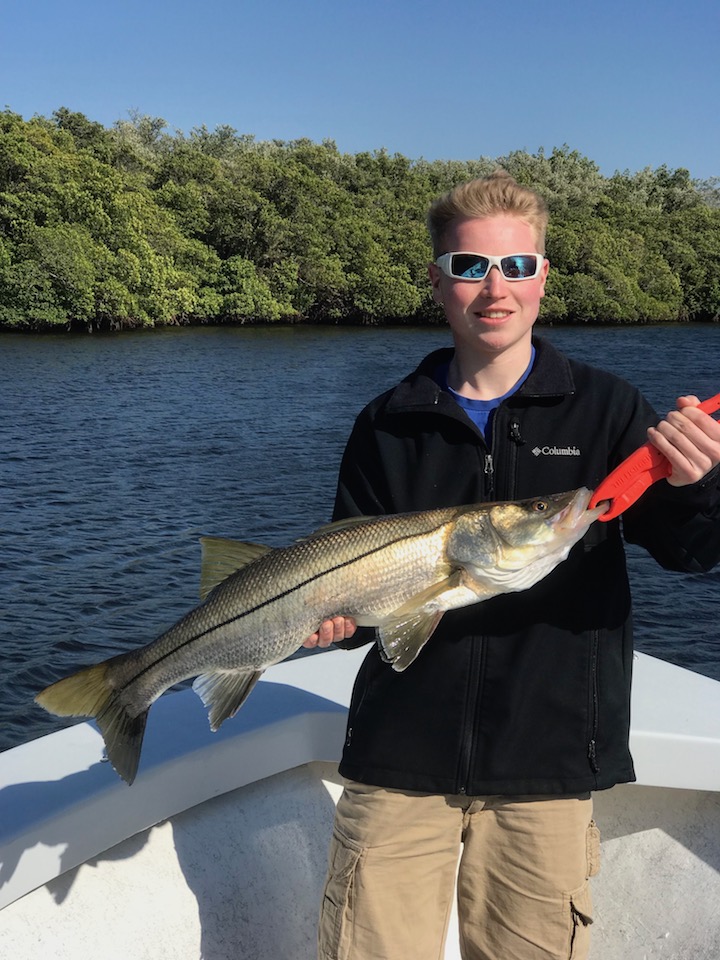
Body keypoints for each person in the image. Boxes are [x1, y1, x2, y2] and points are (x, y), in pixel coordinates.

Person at [304, 171, 720, 960]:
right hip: (397, 759)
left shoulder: (606, 409)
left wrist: (701, 486)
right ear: (436, 281)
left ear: (542, 278)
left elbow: (692, 551)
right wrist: (340, 620)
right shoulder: (388, 423)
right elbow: (357, 584)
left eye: (517, 267)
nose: (495, 289)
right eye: (470, 267)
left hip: (548, 760)